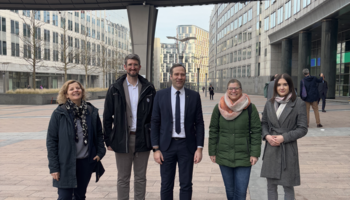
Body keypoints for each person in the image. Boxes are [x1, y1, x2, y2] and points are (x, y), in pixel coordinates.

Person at [103, 54, 156, 200]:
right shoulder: (115, 88)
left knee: (140, 177)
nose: (133, 67)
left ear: (139, 67)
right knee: (123, 178)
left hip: (142, 139)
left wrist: (153, 138)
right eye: (130, 64)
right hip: (122, 139)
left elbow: (154, 116)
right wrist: (108, 140)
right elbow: (107, 116)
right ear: (125, 67)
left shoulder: (149, 88)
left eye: (135, 64)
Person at [151, 63, 205, 200]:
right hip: (166, 147)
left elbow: (199, 123)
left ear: (185, 77)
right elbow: (155, 123)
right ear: (170, 76)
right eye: (176, 74)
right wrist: (155, 149)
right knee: (166, 184)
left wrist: (199, 148)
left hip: (187, 147)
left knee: (186, 184)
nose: (179, 77)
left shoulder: (194, 96)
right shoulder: (160, 95)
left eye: (182, 74)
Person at [47, 80, 106, 200]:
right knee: (64, 197)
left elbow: (99, 135)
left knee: (80, 196)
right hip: (65, 163)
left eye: (78, 88)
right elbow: (51, 141)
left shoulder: (91, 111)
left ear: (82, 91)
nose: (75, 90)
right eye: (71, 89)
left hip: (85, 162)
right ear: (66, 94)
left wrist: (100, 153)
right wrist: (54, 167)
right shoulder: (59, 113)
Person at [209, 79, 262, 200]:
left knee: (241, 191)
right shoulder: (218, 108)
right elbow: (213, 130)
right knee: (230, 190)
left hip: (244, 156)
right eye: (231, 88)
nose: (233, 91)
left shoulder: (250, 108)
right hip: (223, 155)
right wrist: (212, 151)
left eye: (236, 88)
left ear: (241, 90)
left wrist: (254, 153)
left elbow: (256, 131)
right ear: (227, 90)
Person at [261, 73, 308, 200]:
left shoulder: (298, 103)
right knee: (271, 186)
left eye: (285, 84)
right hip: (271, 149)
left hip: (287, 149)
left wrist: (284, 137)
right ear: (275, 87)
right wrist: (266, 136)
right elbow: (264, 123)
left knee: (288, 186)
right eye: (279, 85)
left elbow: (303, 128)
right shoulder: (269, 103)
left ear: (290, 86)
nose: (282, 87)